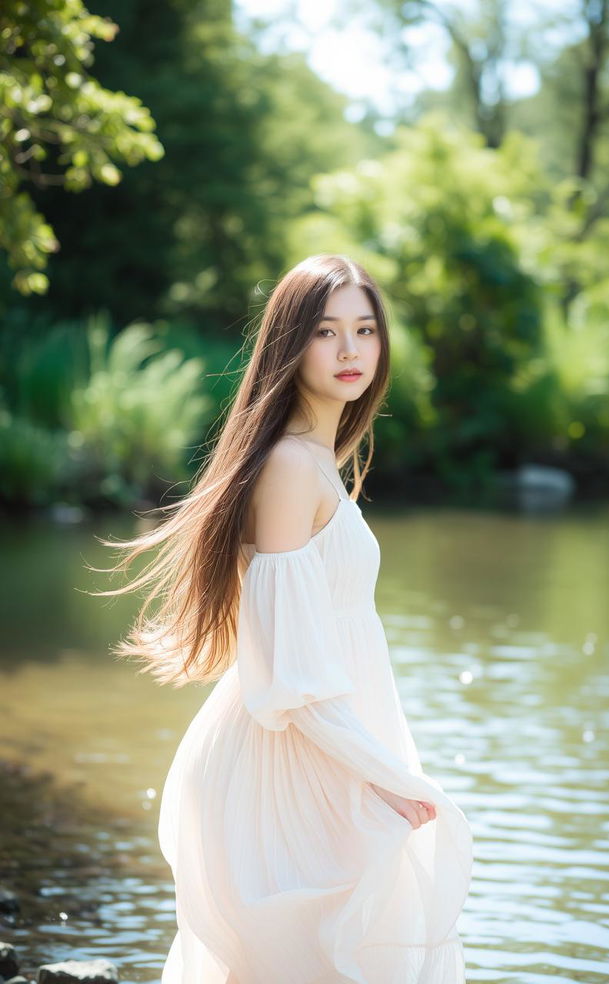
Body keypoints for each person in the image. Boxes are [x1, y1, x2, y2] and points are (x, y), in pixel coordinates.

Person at [94, 254, 473, 983]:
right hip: (288, 756)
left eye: (365, 330)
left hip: (319, 745)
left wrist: (380, 767)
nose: (351, 350)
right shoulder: (292, 468)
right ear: (289, 345)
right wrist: (387, 776)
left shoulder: (318, 461)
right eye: (327, 332)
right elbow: (291, 675)